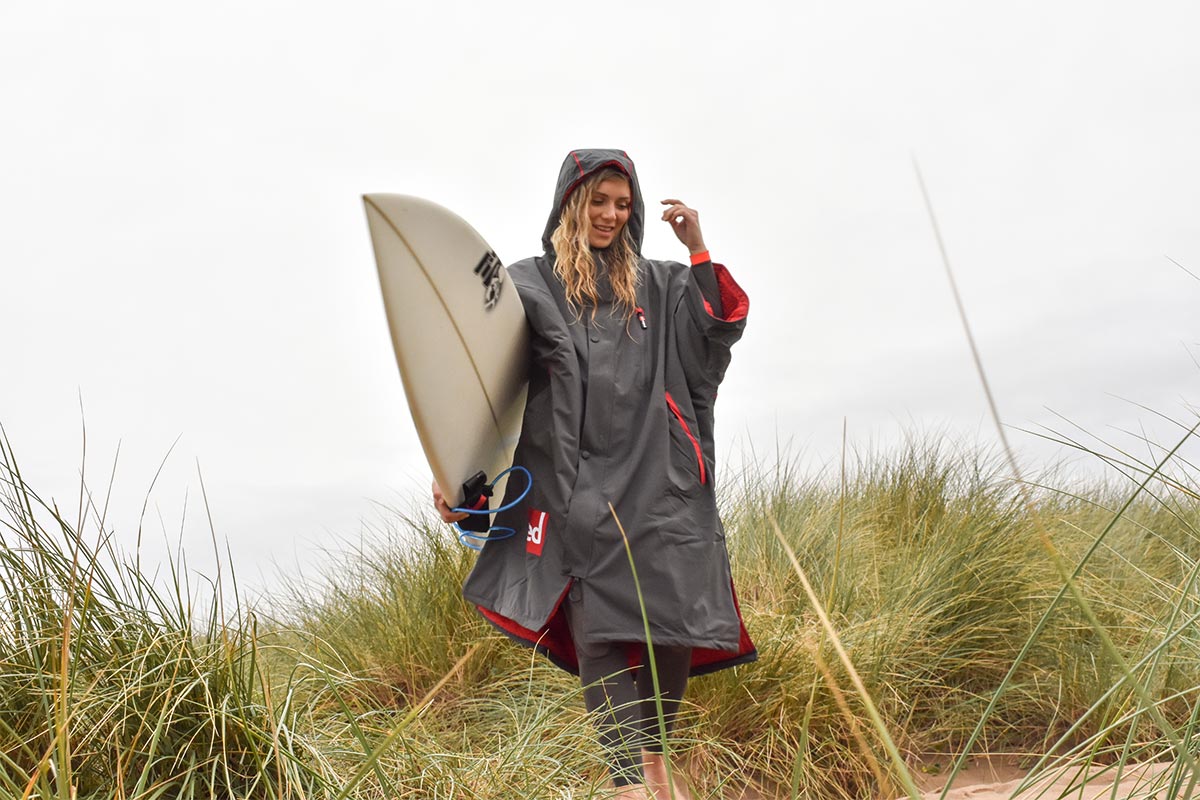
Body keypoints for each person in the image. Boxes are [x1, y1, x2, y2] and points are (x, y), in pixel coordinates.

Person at [432, 149, 755, 799]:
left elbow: (715, 330)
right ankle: (628, 783)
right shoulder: (530, 286)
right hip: (573, 487)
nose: (610, 215)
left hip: (657, 479)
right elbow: (487, 388)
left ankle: (658, 767)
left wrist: (697, 248)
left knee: (669, 624)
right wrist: (461, 480)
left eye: (622, 204)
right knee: (600, 625)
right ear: (570, 204)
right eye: (598, 201)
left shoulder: (660, 287)